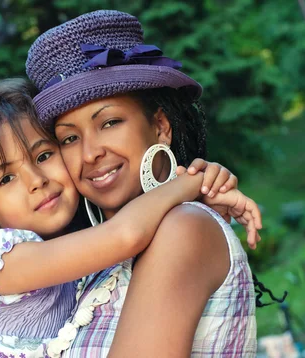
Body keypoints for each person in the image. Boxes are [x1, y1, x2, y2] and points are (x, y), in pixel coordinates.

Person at [0, 78, 261, 357]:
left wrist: (193, 192)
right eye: (6, 179)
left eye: (44, 155)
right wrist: (191, 183)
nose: (36, 180)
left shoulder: (166, 234)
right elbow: (125, 234)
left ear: (161, 126)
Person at [25, 9, 262, 357]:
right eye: (69, 139)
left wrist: (187, 186)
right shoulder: (91, 265)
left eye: (109, 122)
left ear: (161, 127)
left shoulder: (182, 228)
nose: (90, 153)